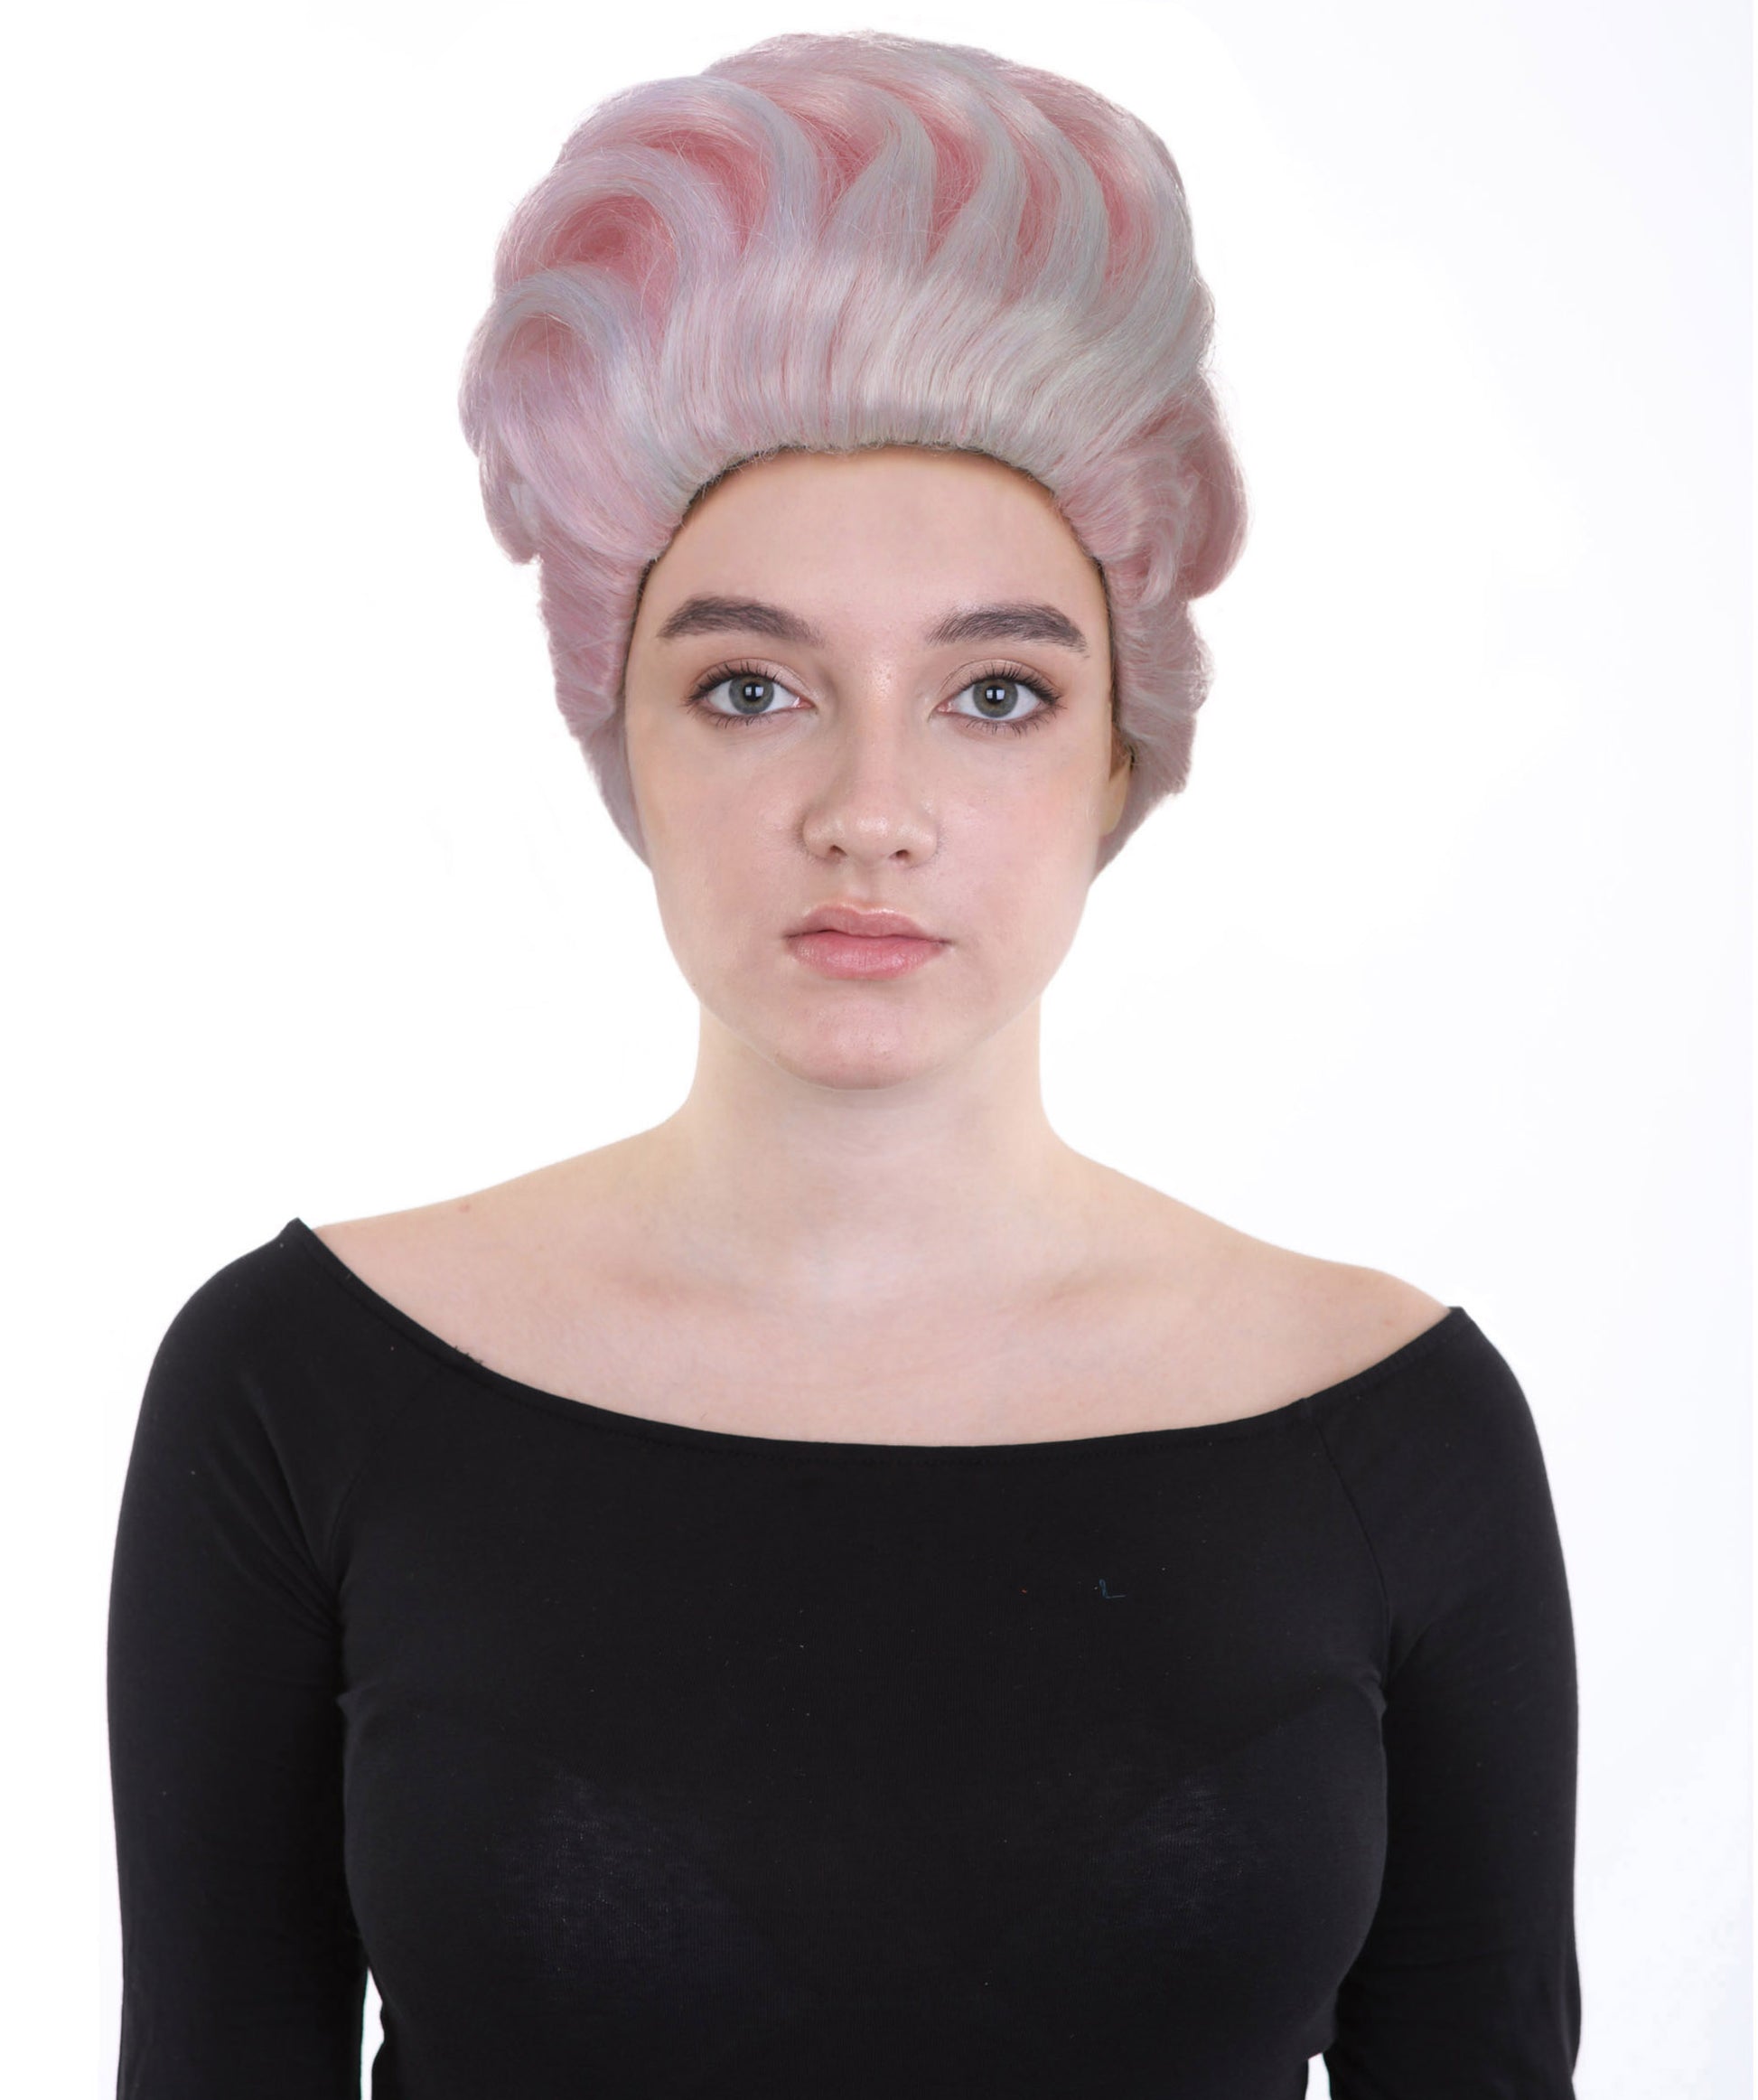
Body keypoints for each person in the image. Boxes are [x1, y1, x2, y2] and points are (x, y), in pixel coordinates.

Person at [106, 29, 1581, 2097]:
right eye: (749, 686)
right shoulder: (302, 1385)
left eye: (993, 692)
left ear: (1120, 753)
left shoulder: (1390, 1424)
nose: (868, 810)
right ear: (619, 735)